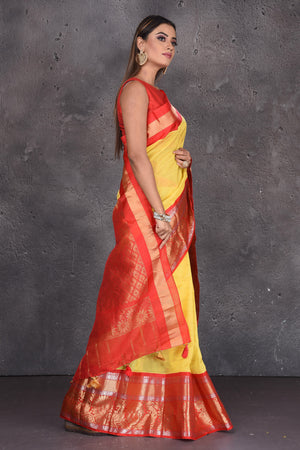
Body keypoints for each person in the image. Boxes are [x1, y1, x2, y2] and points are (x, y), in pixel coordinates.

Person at [60, 15, 233, 440]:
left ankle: (162, 409)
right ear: (140, 44)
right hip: (147, 213)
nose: (169, 45)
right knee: (134, 299)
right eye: (160, 38)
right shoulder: (135, 91)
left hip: (167, 209)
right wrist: (160, 215)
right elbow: (137, 155)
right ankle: (101, 408)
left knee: (174, 304)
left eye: (174, 40)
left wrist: (184, 158)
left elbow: (159, 149)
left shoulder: (161, 95)